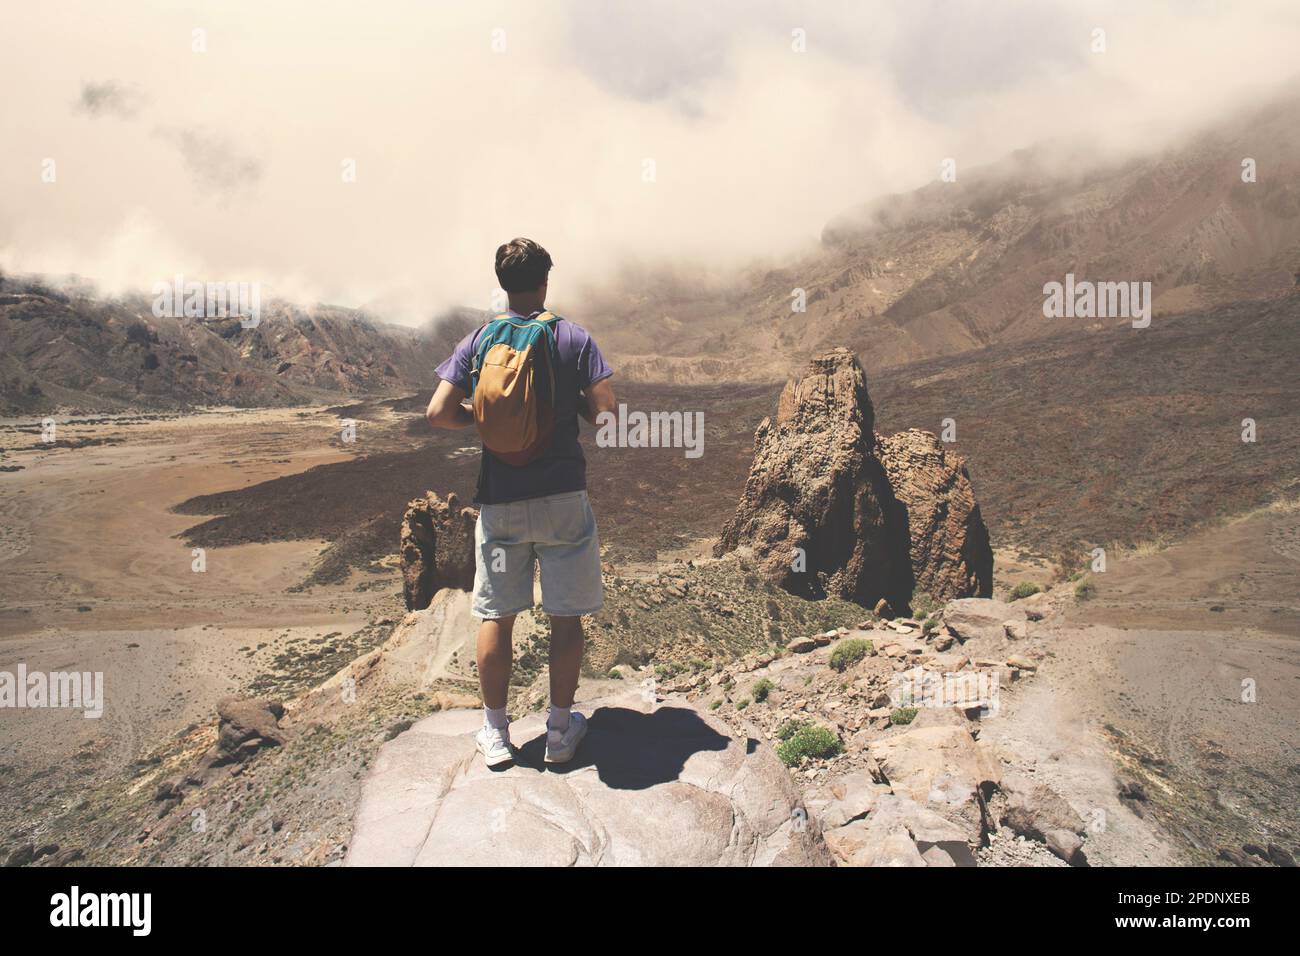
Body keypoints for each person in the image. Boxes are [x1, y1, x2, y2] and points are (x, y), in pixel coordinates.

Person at [425, 238, 616, 767]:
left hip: (501, 500)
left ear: (503, 284)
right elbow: (606, 414)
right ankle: (559, 731)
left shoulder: (481, 338)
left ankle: (494, 733)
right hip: (561, 498)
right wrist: (569, 405)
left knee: (496, 615)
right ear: (546, 280)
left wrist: (483, 422)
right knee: (565, 617)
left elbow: (438, 413)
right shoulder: (572, 337)